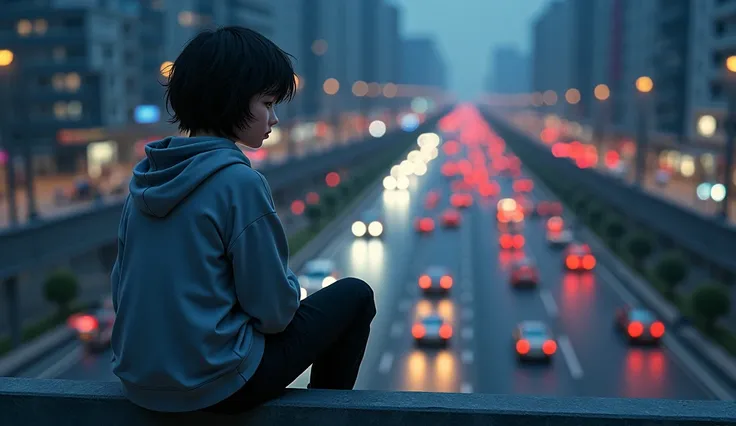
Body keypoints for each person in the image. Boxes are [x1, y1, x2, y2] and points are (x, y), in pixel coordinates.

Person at [110, 26, 376, 414]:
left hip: (139, 385)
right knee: (355, 295)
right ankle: (325, 416)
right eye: (267, 103)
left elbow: (122, 294)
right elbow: (274, 313)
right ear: (229, 100)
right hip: (216, 385)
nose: (274, 118)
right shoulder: (238, 182)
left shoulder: (142, 184)